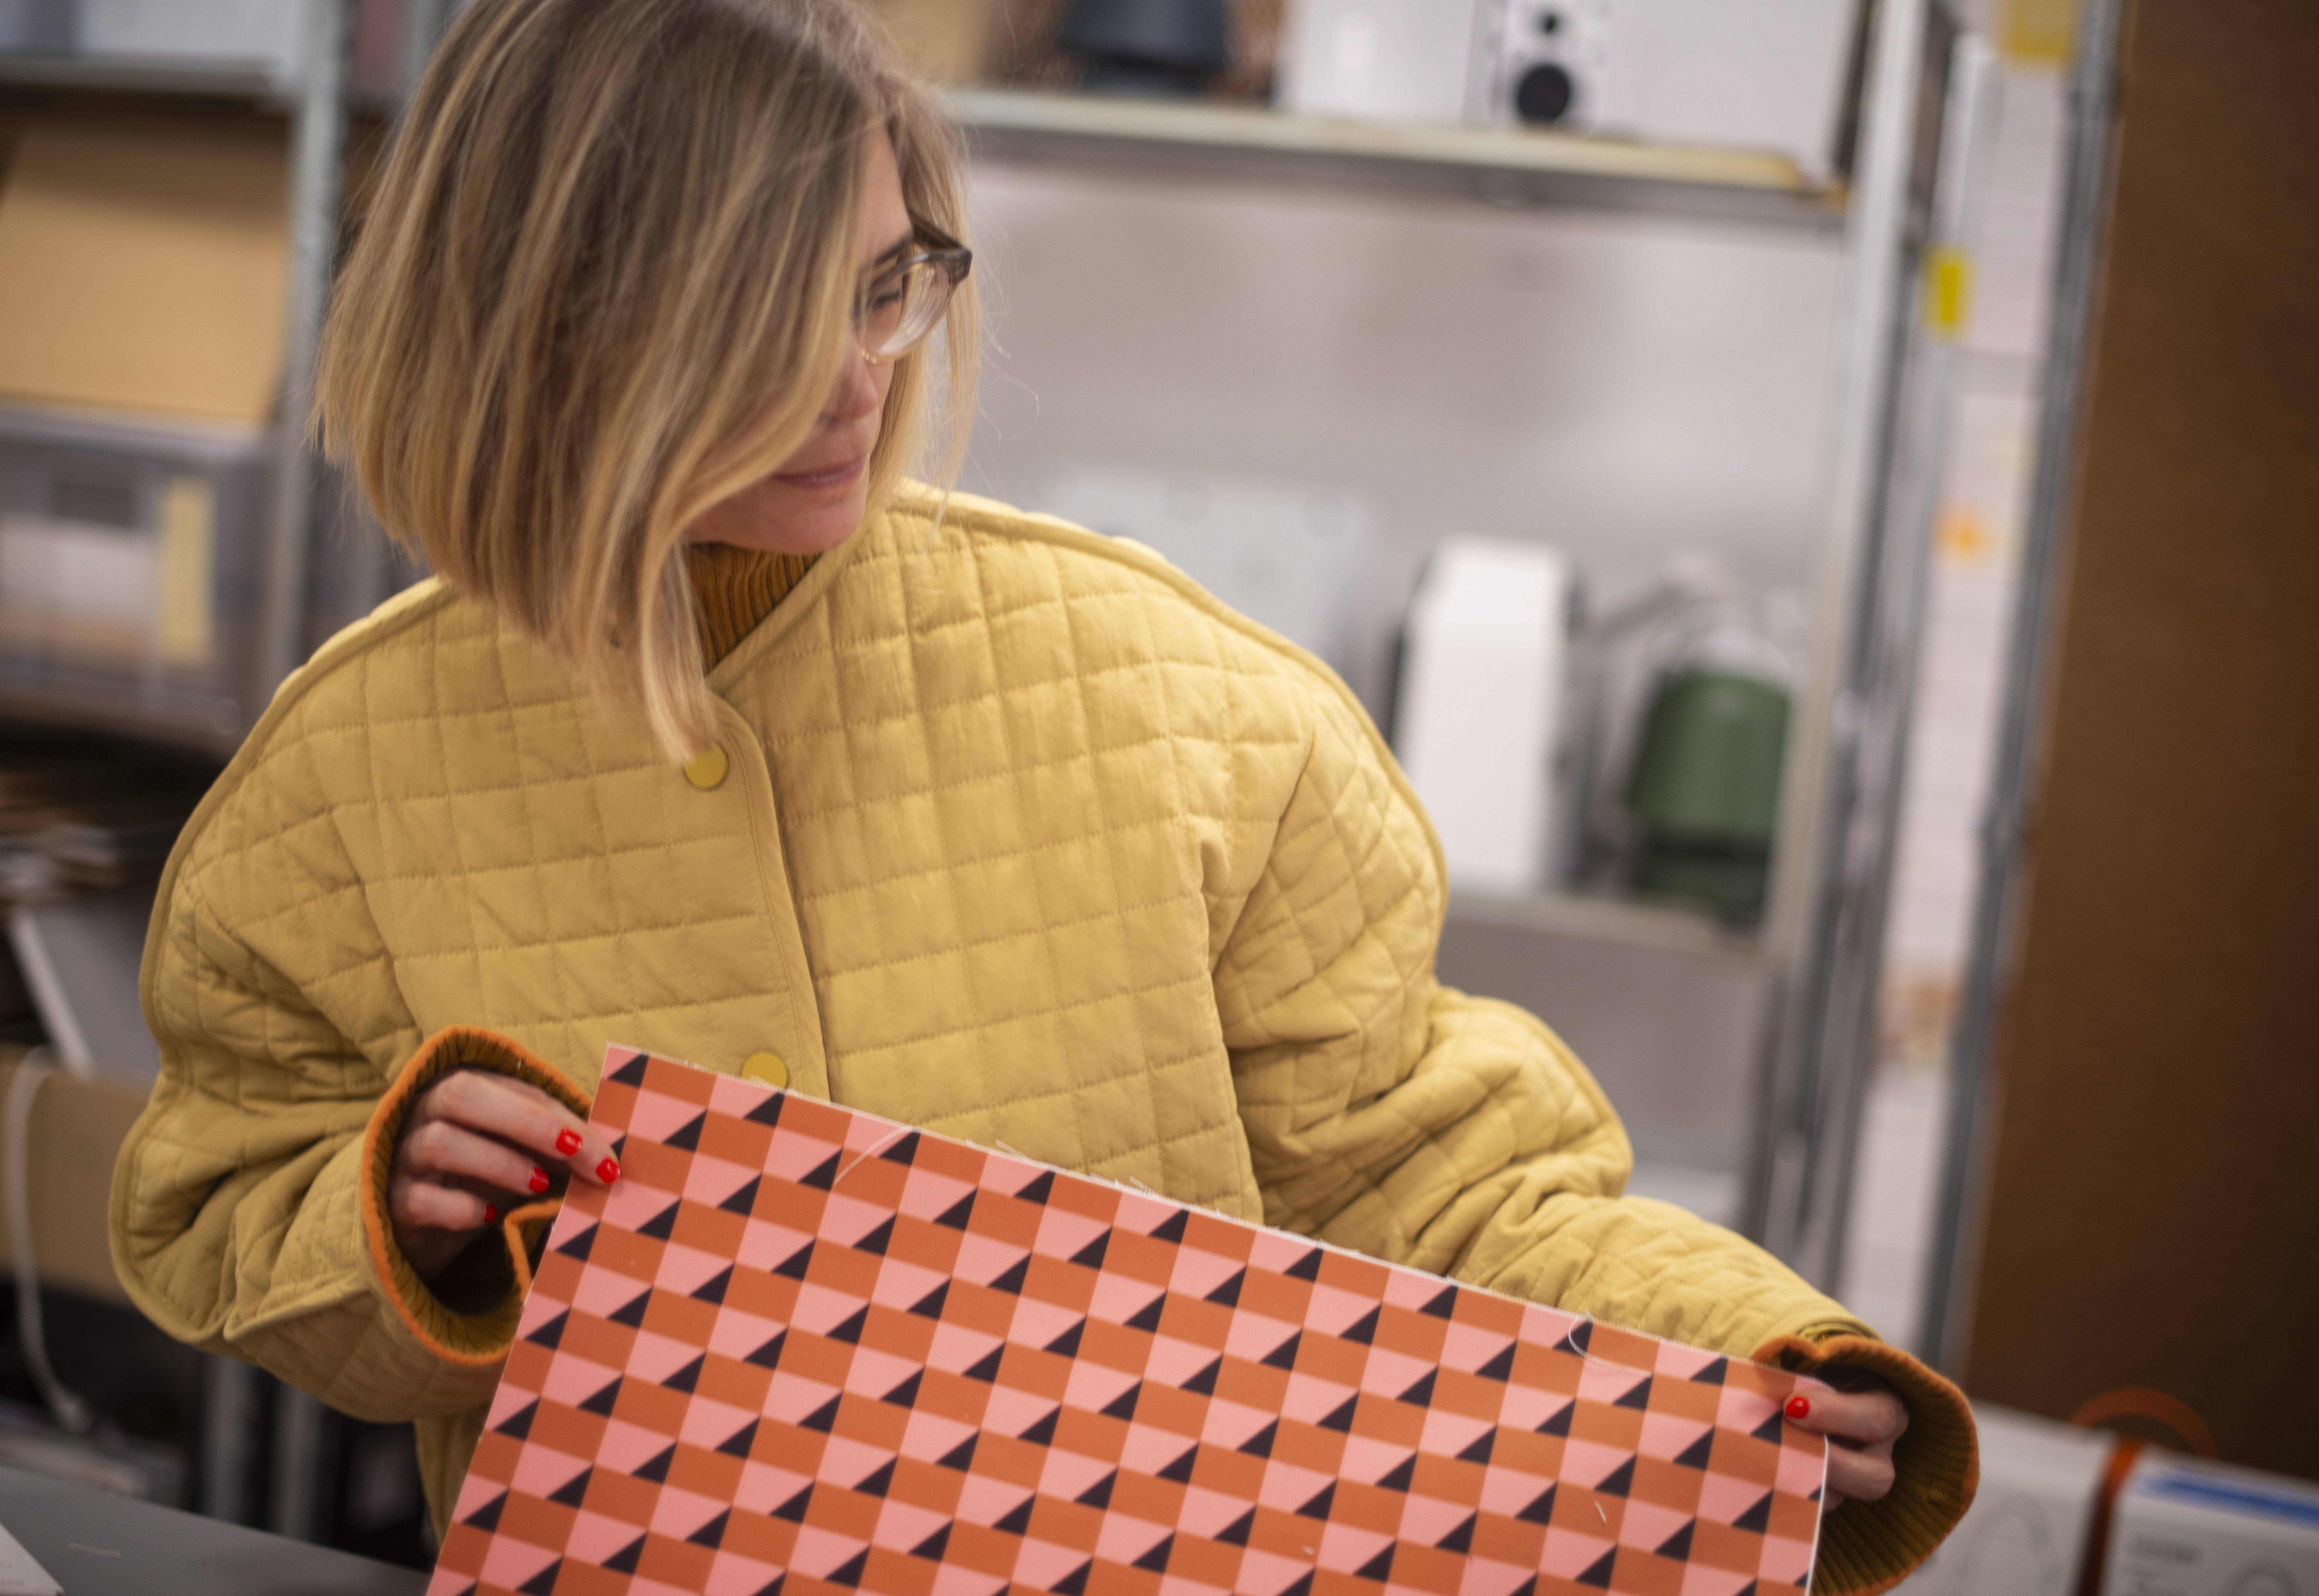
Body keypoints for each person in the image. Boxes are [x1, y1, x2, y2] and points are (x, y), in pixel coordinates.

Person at [109, 0, 1975, 1588]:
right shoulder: (345, 775)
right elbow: (217, 1192)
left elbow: (1445, 1189)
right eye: (774, 324)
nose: (861, 382)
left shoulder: (1178, 705)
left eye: (890, 287)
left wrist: (1744, 1359)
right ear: (558, 323)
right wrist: (398, 1223)